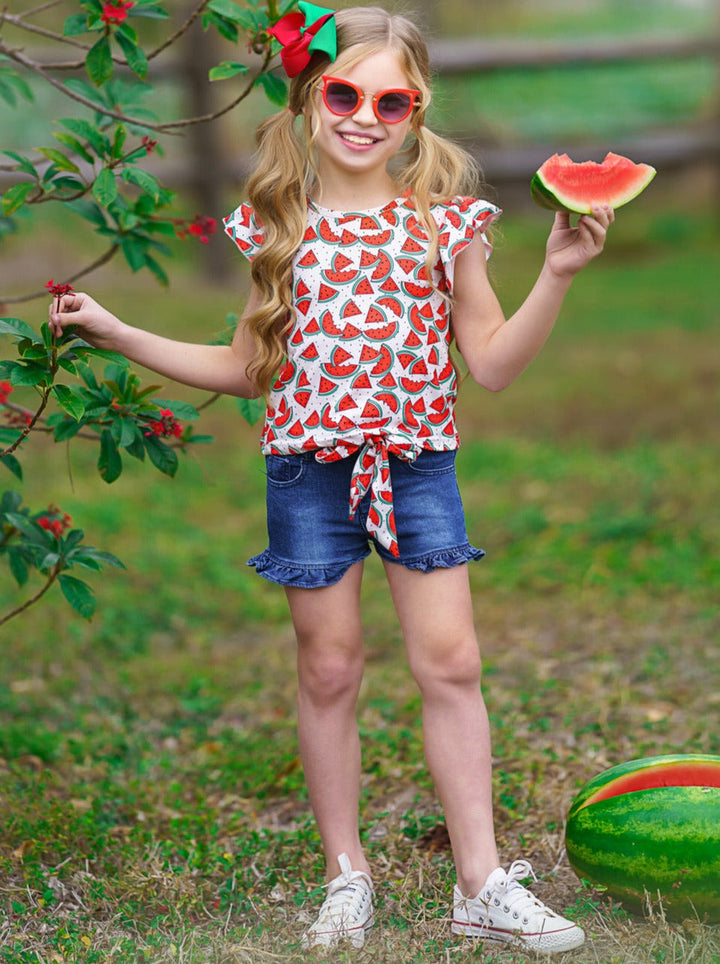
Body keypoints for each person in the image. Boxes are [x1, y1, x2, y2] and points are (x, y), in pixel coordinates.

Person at [49, 3, 614, 955]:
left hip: (417, 465)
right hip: (307, 472)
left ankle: (480, 881)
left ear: (417, 111)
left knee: (453, 662)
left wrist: (554, 274)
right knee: (329, 668)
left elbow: (494, 364)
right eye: (345, 92)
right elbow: (246, 370)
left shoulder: (446, 224)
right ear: (312, 95)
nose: (364, 115)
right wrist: (118, 330)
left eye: (391, 101)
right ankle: (345, 872)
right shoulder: (275, 224)